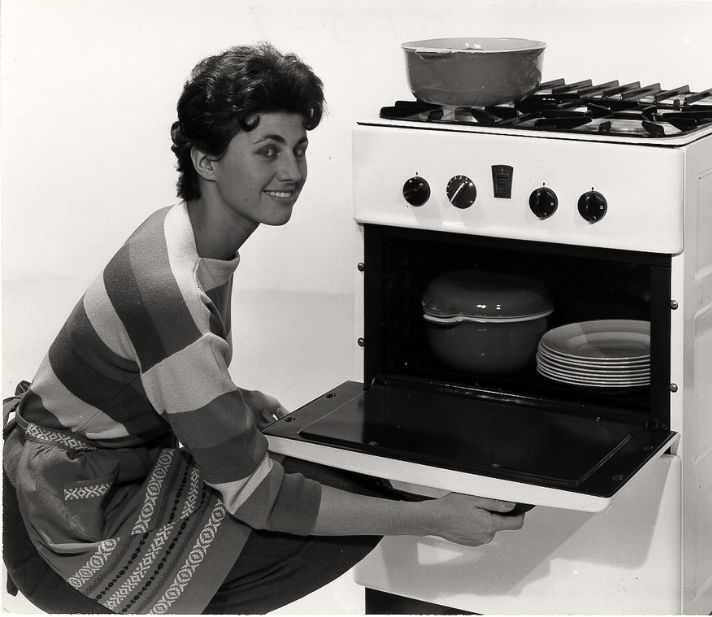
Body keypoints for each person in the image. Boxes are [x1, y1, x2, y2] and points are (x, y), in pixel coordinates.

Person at [2, 42, 525, 614]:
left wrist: (227, 400)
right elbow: (257, 499)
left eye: (299, 149)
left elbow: (143, 374)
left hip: (87, 475)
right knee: (342, 514)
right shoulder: (171, 293)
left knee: (338, 487)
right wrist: (431, 517)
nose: (293, 172)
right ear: (206, 161)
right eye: (268, 151)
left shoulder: (182, 234)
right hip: (65, 522)